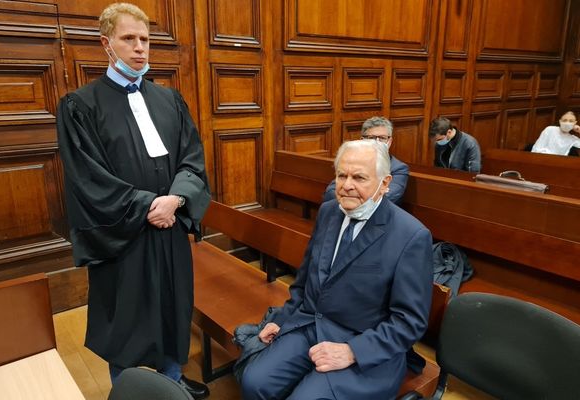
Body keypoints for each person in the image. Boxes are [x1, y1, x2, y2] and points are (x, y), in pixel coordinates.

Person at [56, 3, 211, 399]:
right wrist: (147, 205)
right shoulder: (81, 106)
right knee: (125, 321)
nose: (140, 48)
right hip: (122, 236)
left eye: (145, 39)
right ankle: (128, 391)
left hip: (170, 228)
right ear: (106, 44)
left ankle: (171, 385)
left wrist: (175, 199)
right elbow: (87, 177)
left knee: (173, 311)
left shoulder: (170, 100)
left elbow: (192, 158)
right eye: (129, 39)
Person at [241, 140, 433, 400]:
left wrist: (353, 351)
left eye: (359, 177)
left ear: (385, 183)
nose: (347, 185)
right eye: (341, 175)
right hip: (311, 323)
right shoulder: (330, 211)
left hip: (364, 344)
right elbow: (305, 280)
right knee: (254, 382)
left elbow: (409, 321)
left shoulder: (411, 236)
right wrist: (281, 318)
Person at [323, 116, 409, 204]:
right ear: (362, 140)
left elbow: (389, 197)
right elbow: (330, 192)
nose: (377, 142)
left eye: (382, 138)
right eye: (371, 138)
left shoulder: (398, 168)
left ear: (389, 141)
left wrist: (349, 197)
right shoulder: (353, 161)